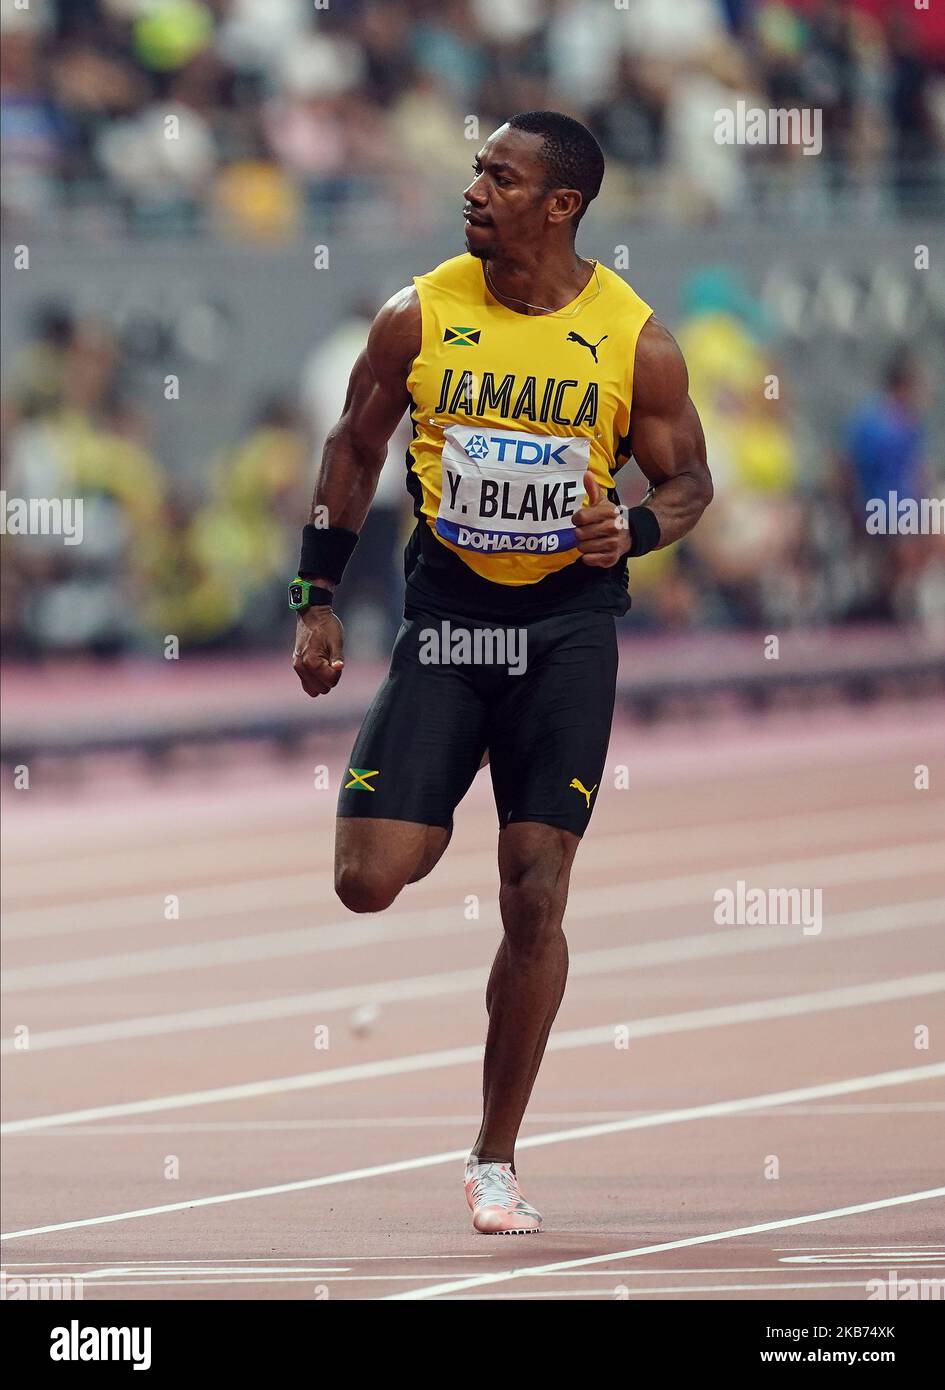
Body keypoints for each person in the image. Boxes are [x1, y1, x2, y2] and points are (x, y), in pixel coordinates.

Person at [290, 111, 712, 1234]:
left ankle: (493, 1158)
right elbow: (353, 446)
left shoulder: (634, 342)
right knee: (368, 877)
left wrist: (636, 529)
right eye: (476, 169)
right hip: (451, 621)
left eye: (499, 177)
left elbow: (689, 483)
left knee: (535, 891)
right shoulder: (419, 314)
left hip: (567, 633)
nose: (472, 188)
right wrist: (316, 596)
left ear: (559, 205)